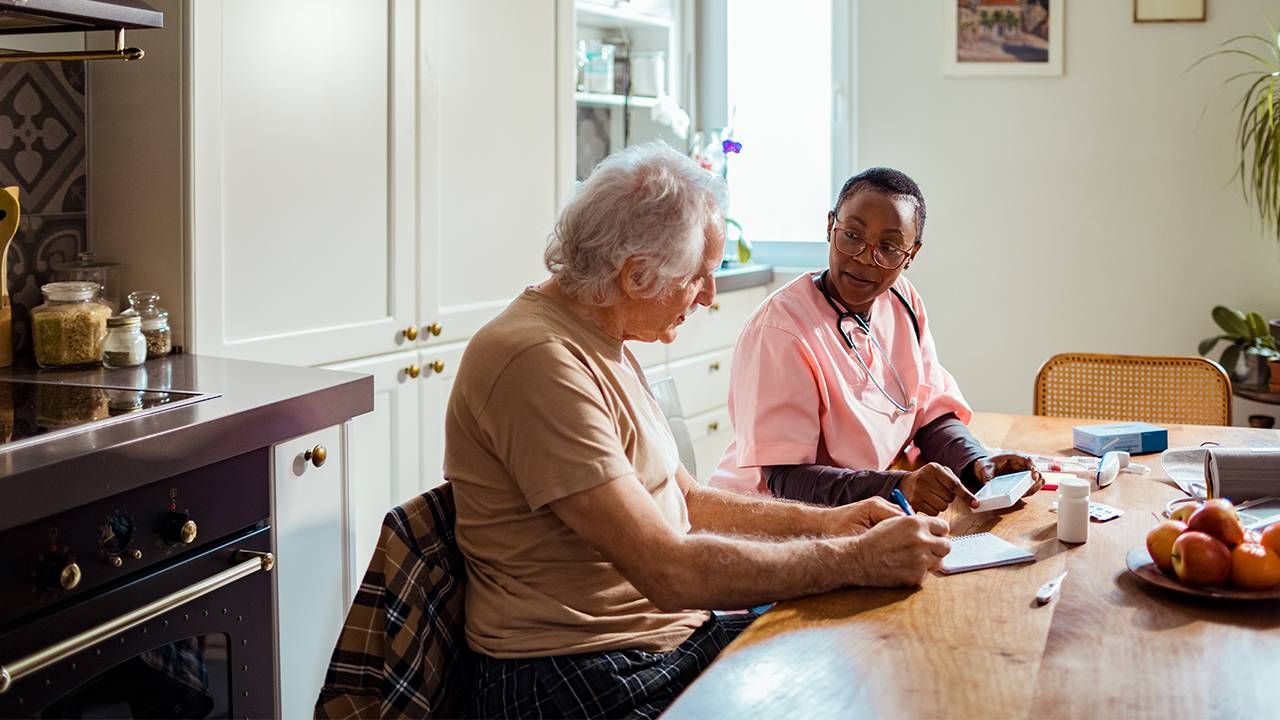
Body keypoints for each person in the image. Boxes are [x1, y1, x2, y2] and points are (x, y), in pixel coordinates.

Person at [446, 146, 952, 720]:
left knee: (877, 667)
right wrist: (853, 558)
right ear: (637, 275)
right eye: (699, 276)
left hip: (662, 641)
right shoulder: (538, 360)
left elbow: (685, 499)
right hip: (581, 671)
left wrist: (834, 521)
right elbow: (667, 569)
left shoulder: (598, 340)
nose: (710, 295)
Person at [710, 167, 1041, 515]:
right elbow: (785, 479)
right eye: (852, 235)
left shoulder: (902, 301)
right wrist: (896, 487)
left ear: (911, 254)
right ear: (829, 226)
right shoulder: (781, 330)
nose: (866, 257)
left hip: (850, 511)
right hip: (762, 520)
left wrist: (976, 462)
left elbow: (929, 413)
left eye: (889, 246)